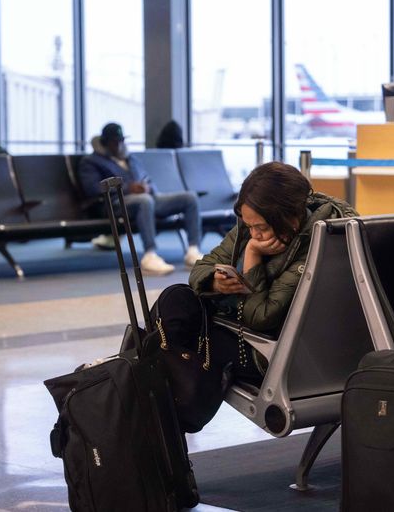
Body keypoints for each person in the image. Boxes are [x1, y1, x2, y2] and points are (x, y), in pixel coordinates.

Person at [189, 161, 356, 380]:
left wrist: (252, 256)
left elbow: (260, 318)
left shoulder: (319, 241)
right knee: (176, 302)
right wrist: (213, 282)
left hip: (271, 354)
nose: (254, 234)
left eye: (261, 228)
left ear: (291, 218)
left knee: (176, 333)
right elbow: (200, 269)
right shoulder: (254, 223)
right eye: (249, 226)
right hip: (241, 330)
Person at [78, 122, 203, 275]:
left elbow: (147, 179)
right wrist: (127, 188)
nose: (118, 145)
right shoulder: (91, 162)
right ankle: (150, 255)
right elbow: (93, 189)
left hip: (148, 198)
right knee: (145, 200)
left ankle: (193, 251)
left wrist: (148, 187)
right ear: (104, 142)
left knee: (190, 198)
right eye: (114, 142)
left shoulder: (132, 159)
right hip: (114, 204)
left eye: (121, 140)